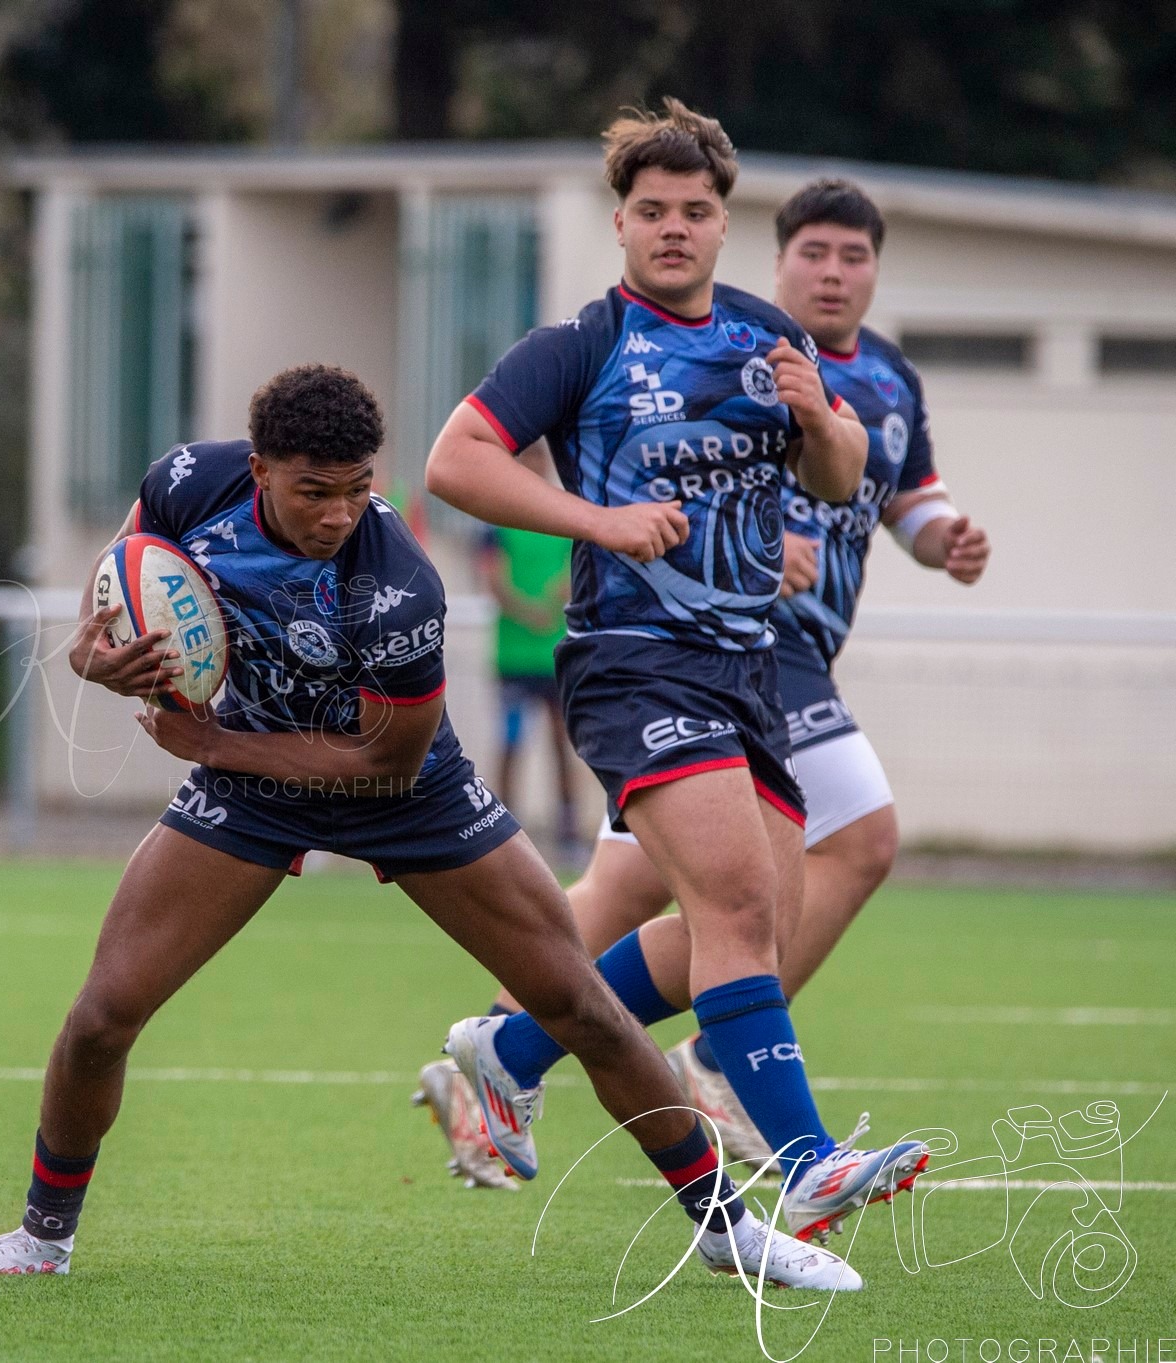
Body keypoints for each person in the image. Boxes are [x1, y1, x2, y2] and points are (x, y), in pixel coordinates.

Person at [0, 364, 860, 1292]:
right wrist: (101, 660)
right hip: (249, 775)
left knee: (580, 1004)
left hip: (405, 791)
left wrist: (214, 742)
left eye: (357, 489)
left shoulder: (398, 588)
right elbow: (105, 610)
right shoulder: (187, 484)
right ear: (257, 469)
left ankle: (727, 1227)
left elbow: (389, 762)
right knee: (102, 1016)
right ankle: (41, 1235)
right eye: (313, 492)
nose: (338, 513)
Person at [423, 100, 930, 1246]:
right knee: (739, 910)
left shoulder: (767, 337)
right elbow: (452, 462)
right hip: (631, 667)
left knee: (734, 936)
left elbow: (845, 476)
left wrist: (819, 423)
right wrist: (591, 521)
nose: (672, 228)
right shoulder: (580, 345)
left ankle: (500, 1050)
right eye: (650, 211)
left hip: (750, 674)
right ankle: (804, 1167)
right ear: (619, 224)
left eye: (693, 211)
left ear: (719, 223)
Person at [526, 179, 993, 1161]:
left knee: (651, 896)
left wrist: (942, 534)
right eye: (812, 254)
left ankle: (504, 1051)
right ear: (775, 258)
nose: (830, 274)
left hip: (776, 661)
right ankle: (729, 1071)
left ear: (873, 269)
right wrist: (749, 541)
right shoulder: (728, 349)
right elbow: (673, 475)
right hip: (728, 648)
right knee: (854, 840)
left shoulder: (886, 381)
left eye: (851, 256)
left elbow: (900, 501)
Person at [479, 446, 583, 859]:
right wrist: (530, 611)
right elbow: (493, 578)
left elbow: (575, 572)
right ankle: (500, 831)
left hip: (557, 655)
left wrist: (557, 602)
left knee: (562, 743)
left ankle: (569, 830)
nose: (531, 469)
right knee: (511, 741)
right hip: (513, 657)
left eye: (537, 462)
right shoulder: (496, 521)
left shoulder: (564, 515)